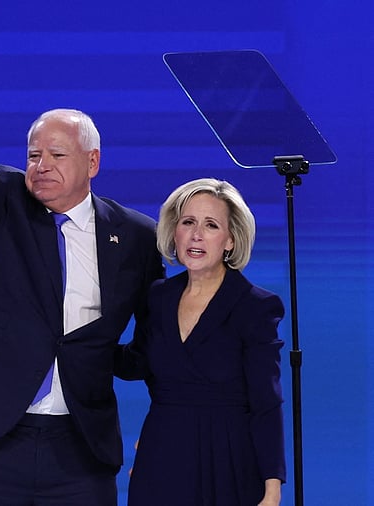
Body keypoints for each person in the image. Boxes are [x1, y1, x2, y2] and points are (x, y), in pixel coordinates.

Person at [0, 19, 165, 505]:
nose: (40, 165)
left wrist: (104, 360)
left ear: (93, 163)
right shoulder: (4, 201)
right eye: (33, 154)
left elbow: (151, 339)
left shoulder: (136, 235)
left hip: (81, 444)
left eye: (56, 154)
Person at [116, 178, 286, 505]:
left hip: (228, 458)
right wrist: (79, 343)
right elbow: (137, 362)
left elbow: (267, 401)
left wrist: (272, 486)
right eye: (188, 222)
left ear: (231, 240)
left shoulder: (255, 307)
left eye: (210, 225)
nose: (196, 234)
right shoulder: (158, 297)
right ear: (174, 231)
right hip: (162, 456)